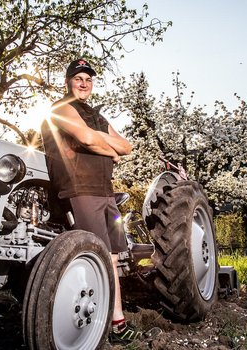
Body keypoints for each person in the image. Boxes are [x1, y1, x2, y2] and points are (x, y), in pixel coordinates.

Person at [41, 58, 159, 344]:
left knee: (112, 256)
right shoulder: (59, 109)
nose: (83, 83)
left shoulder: (96, 115)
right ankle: (89, 326)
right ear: (68, 82)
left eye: (88, 79)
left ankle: (117, 323)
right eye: (78, 78)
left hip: (105, 192)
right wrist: (107, 148)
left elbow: (126, 146)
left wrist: (102, 143)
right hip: (80, 188)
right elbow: (86, 138)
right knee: (93, 253)